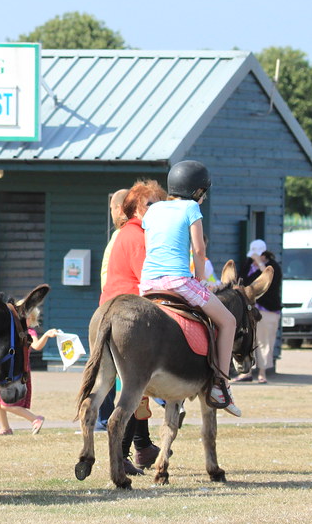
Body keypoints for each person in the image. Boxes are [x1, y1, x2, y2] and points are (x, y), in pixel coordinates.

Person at [139, 160, 241, 417]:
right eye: (203, 192)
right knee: (228, 321)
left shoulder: (152, 210)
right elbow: (199, 249)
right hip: (178, 281)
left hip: (148, 283)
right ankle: (220, 384)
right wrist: (199, 278)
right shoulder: (191, 208)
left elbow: (150, 245)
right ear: (197, 191)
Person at [100, 178, 168, 474]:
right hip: (132, 310)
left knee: (132, 387)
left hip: (111, 306)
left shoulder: (124, 233)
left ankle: (140, 447)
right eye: (152, 205)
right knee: (134, 387)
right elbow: (147, 278)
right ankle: (126, 452)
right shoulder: (138, 236)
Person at [0, 317, 59, 436]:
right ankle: (5, 428)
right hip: (5, 370)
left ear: (30, 319)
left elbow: (37, 346)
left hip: (17, 372)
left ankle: (35, 419)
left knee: (6, 405)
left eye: (24, 318)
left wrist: (46, 335)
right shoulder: (9, 331)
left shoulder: (29, 333)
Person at [96, 188, 129, 431]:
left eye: (111, 208)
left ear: (118, 208)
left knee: (106, 366)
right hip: (113, 304)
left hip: (112, 306)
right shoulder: (123, 235)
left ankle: (104, 418)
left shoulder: (122, 235)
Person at [237, 239, 283, 384]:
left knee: (264, 342)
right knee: (248, 340)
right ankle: (246, 372)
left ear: (264, 254)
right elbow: (241, 281)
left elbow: (268, 281)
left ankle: (262, 373)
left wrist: (261, 265)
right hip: (249, 309)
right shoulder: (248, 265)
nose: (255, 259)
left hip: (267, 310)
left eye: (258, 256)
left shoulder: (272, 266)